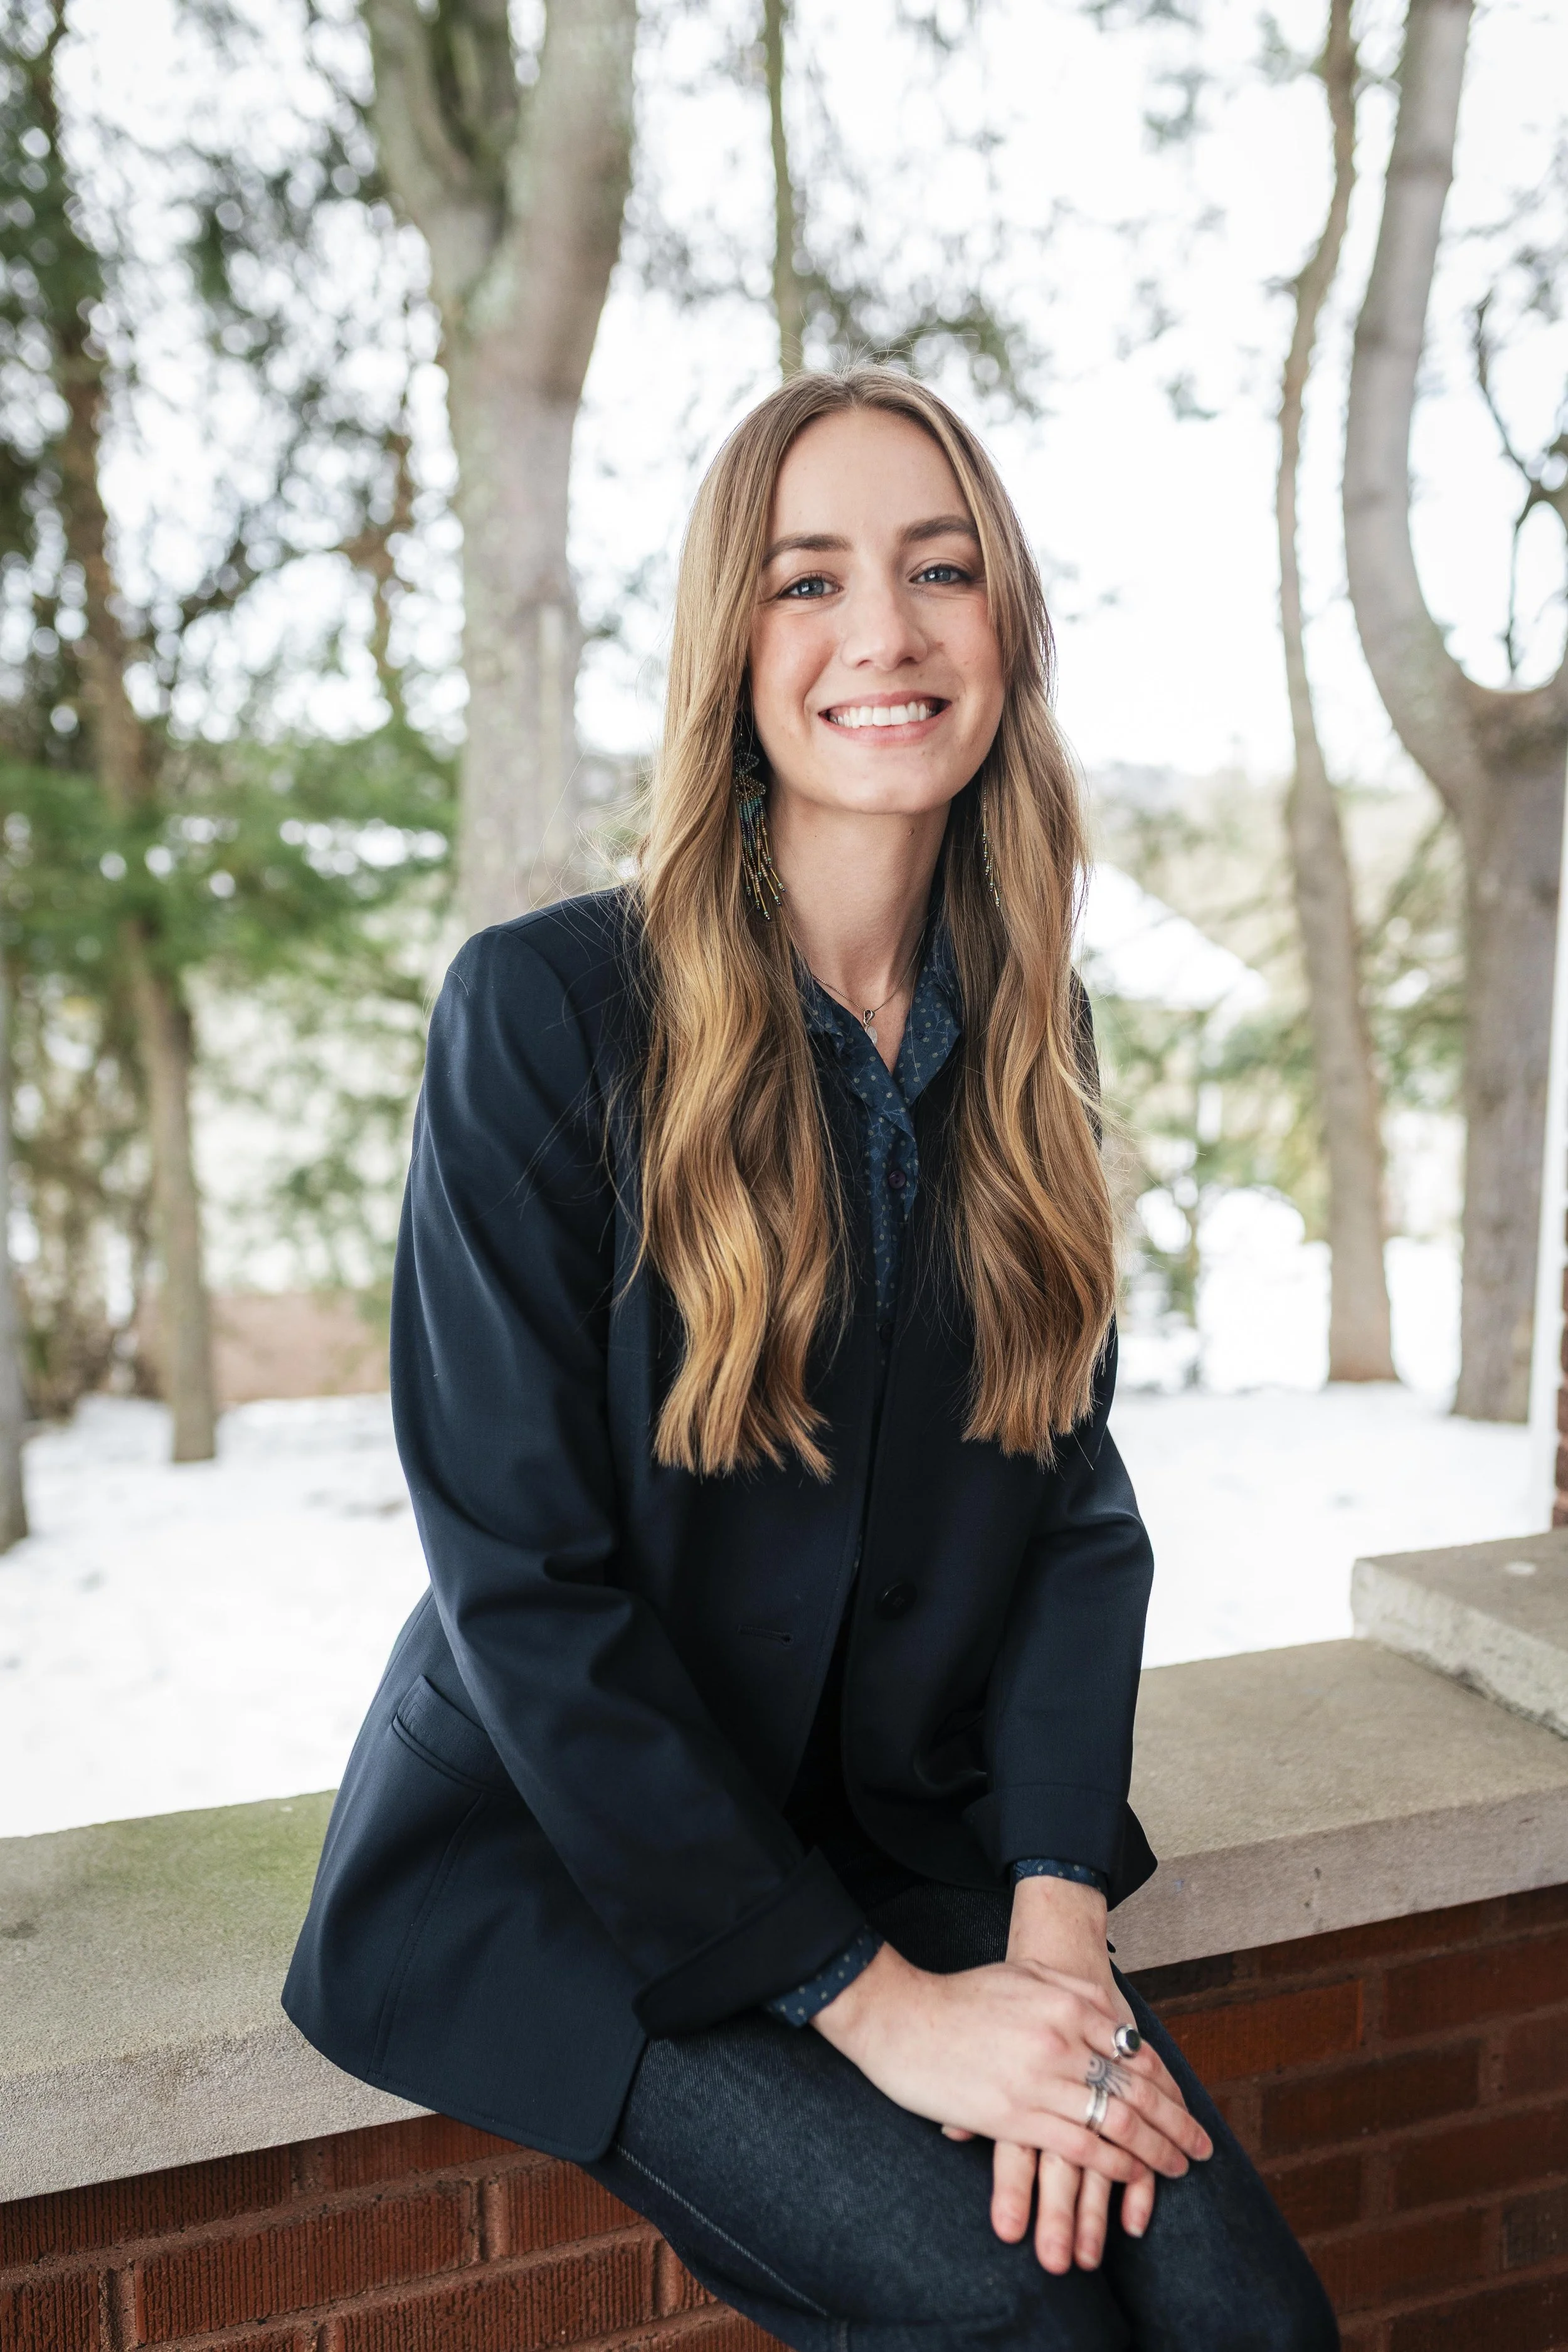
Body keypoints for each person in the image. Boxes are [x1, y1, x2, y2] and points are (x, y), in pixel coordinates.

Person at [284, 368, 1338, 2352]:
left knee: (1241, 2322)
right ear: (727, 646)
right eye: (808, 579)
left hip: (901, 1826)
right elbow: (524, 1582)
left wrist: (1050, 1916)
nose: (884, 631)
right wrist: (891, 2017)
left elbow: (1071, 1508)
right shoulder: (542, 1016)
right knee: (1016, 2315)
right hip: (585, 1866)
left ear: (1005, 625)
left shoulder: (1035, 1034)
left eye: (939, 567)